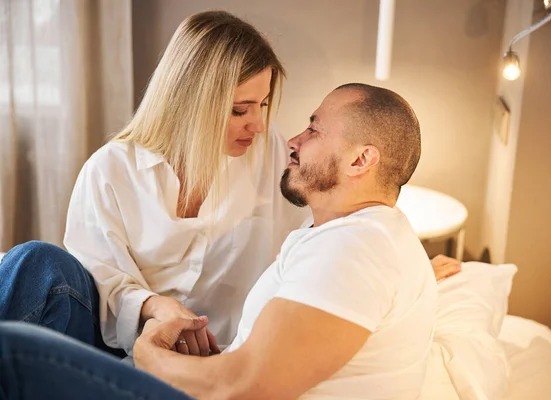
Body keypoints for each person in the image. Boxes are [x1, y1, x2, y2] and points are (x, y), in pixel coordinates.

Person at [0, 10, 459, 359]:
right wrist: (153, 306)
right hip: (114, 345)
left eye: (262, 104)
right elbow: (94, 277)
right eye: (240, 110)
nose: (258, 125)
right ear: (189, 102)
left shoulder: (268, 156)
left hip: (213, 362)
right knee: (34, 263)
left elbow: (341, 214)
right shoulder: (111, 170)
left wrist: (407, 264)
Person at [0, 83, 437, 400]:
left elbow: (240, 387)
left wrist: (148, 354)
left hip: (200, 385)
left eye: (315, 129)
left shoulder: (355, 251)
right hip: (196, 367)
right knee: (35, 264)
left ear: (362, 159)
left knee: (13, 348)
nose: (294, 139)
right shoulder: (351, 240)